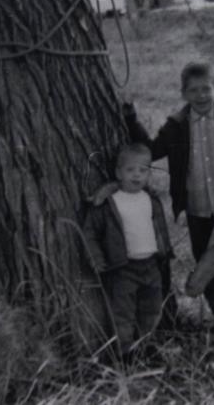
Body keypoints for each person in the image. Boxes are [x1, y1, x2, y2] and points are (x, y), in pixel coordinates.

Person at [124, 61, 214, 356]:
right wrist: (131, 118)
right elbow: (152, 150)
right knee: (204, 261)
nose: (201, 95)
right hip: (197, 208)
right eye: (193, 90)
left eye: (206, 88)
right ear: (184, 94)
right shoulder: (177, 126)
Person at [83, 143, 174, 363]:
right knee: (122, 312)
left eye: (143, 171)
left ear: (149, 174)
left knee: (151, 308)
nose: (137, 176)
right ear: (118, 173)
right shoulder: (109, 203)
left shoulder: (150, 200)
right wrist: (96, 259)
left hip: (151, 266)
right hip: (123, 267)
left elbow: (159, 230)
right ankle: (125, 352)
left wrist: (165, 252)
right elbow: (90, 234)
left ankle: (145, 346)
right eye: (130, 170)